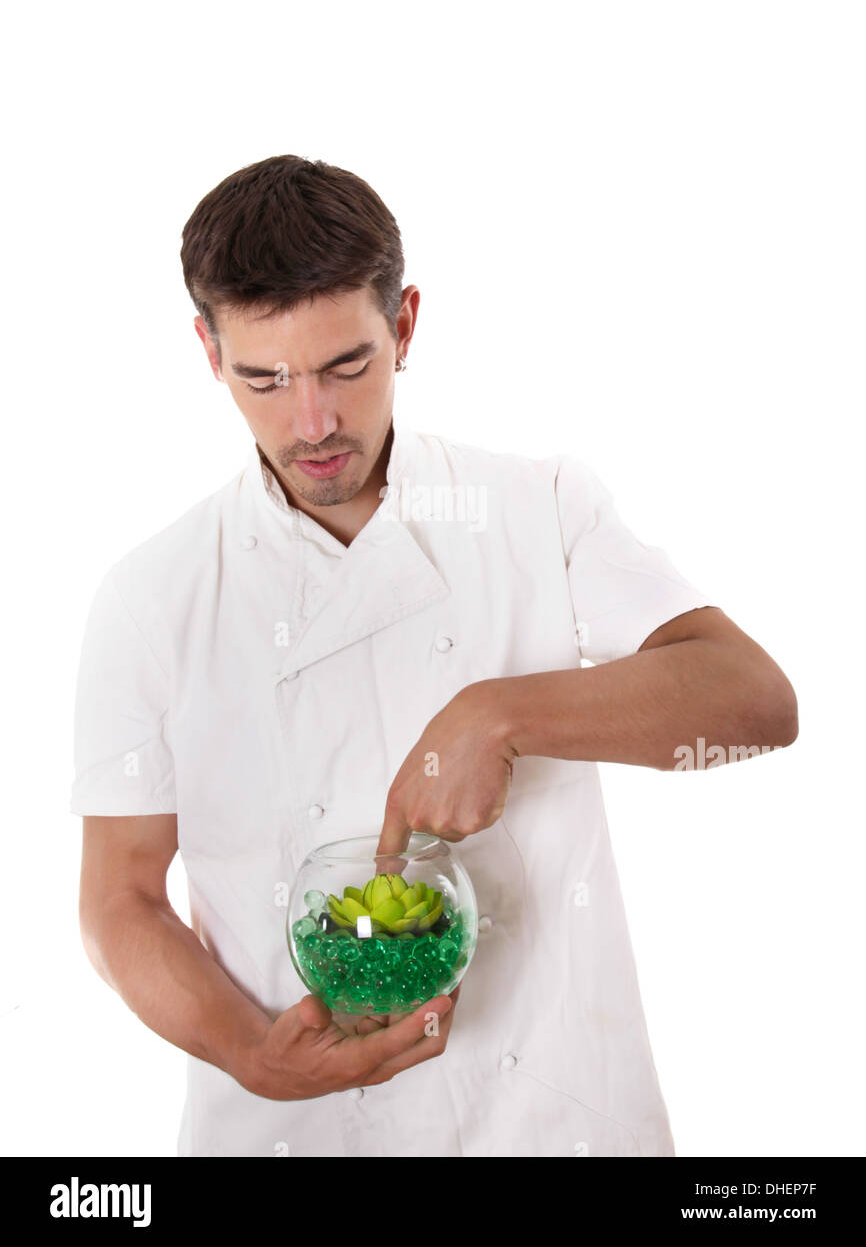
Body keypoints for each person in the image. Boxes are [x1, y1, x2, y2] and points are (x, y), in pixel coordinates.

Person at [71, 154, 798, 1158]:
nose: (312, 422)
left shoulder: (534, 507)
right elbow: (120, 898)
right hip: (292, 1132)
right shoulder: (151, 598)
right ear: (207, 351)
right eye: (264, 379)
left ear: (403, 325)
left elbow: (755, 699)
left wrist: (500, 714)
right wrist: (254, 1053)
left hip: (553, 1123)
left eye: (345, 365)